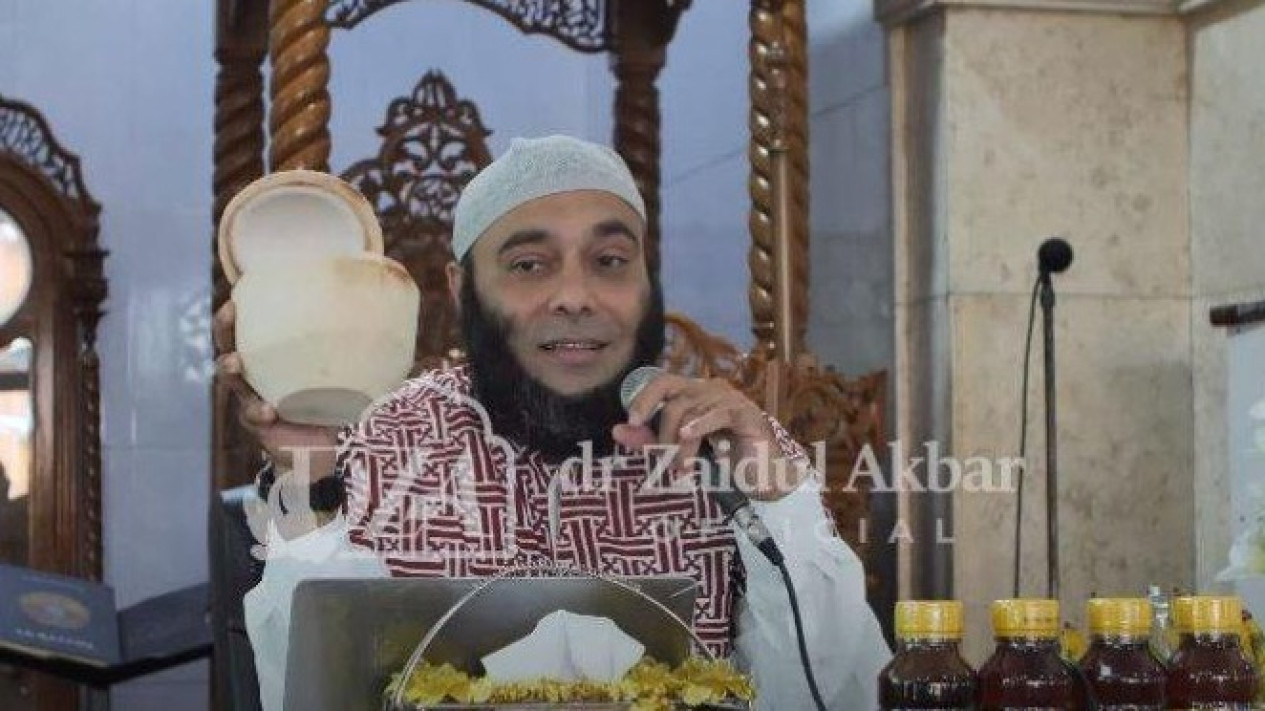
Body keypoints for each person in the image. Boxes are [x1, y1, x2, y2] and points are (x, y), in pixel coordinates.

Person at [215, 135, 890, 710]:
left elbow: (838, 692)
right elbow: (311, 689)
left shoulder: (716, 446)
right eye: (529, 265)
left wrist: (777, 499)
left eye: (610, 261)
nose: (574, 296)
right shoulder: (383, 438)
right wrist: (313, 477)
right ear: (461, 289)